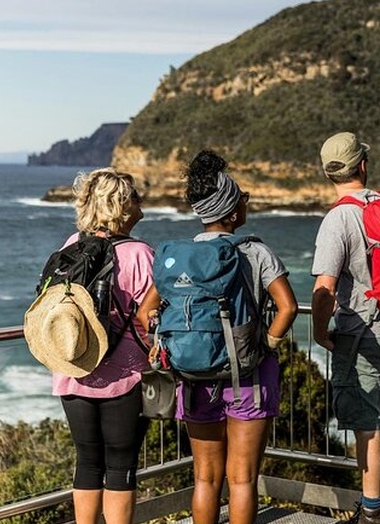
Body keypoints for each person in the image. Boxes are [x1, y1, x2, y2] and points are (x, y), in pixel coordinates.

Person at [137, 150, 298, 524]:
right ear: (229, 212)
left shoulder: (179, 256)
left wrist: (172, 344)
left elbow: (146, 313)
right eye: (242, 198)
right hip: (249, 377)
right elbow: (287, 307)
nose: (246, 203)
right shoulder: (256, 252)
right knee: (242, 479)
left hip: (193, 378)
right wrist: (266, 346)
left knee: (205, 478)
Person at [311, 132, 380, 524]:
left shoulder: (339, 217)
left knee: (365, 427)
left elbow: (324, 289)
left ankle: (372, 512)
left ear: (329, 173)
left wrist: (318, 331)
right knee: (376, 419)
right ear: (363, 165)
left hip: (362, 332)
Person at [37, 169, 153, 524]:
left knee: (87, 461)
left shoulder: (72, 245)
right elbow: (150, 320)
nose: (140, 202)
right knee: (121, 465)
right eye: (134, 197)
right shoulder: (140, 254)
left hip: (73, 369)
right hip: (126, 376)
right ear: (121, 205)